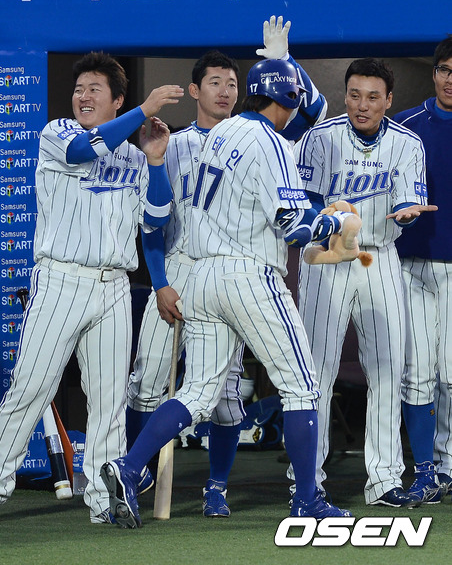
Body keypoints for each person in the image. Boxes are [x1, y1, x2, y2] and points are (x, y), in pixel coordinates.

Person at [100, 56, 356, 529]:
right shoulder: (271, 142)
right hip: (248, 274)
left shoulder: (221, 134)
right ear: (287, 99)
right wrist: (336, 221)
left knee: (198, 393)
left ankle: (129, 467)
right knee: (301, 386)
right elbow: (294, 227)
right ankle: (307, 499)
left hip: (200, 278)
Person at [0, 51, 184, 525]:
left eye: (94, 89)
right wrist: (144, 110)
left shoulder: (134, 155)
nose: (83, 96)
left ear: (115, 99)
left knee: (108, 401)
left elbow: (155, 220)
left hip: (114, 285)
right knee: (31, 387)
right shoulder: (58, 132)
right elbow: (84, 151)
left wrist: (156, 161)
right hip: (61, 279)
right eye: (79, 89)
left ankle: (104, 501)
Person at [293, 57, 437, 508]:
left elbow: (411, 202)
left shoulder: (407, 143)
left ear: (388, 100)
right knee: (316, 371)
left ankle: (384, 479)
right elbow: (304, 201)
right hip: (328, 256)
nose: (362, 105)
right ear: (345, 95)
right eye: (355, 95)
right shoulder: (321, 137)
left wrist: (409, 214)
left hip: (380, 256)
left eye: (373, 97)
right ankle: (308, 481)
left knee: (388, 370)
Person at [393, 36, 451, 502]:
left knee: (451, 376)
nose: (451, 79)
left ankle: (448, 465)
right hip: (410, 267)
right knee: (417, 374)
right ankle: (425, 470)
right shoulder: (405, 127)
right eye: (445, 70)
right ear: (434, 73)